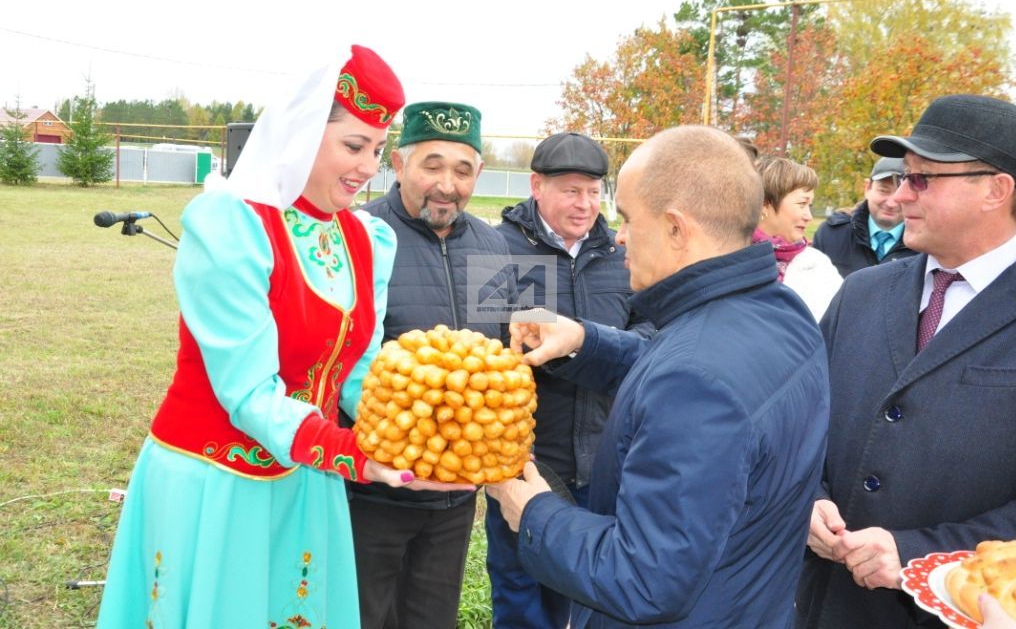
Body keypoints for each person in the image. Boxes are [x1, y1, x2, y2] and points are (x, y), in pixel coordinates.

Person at [96, 46, 471, 627]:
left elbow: (357, 372)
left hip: (307, 481)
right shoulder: (231, 223)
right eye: (352, 145)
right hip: (217, 482)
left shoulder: (367, 239)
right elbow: (246, 392)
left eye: (376, 149)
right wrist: (354, 454)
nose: (368, 167)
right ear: (300, 134)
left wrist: (424, 425)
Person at [487, 125, 830, 627]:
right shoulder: (781, 311)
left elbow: (644, 579)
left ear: (676, 228)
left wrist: (534, 512)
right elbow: (676, 365)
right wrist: (584, 339)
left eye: (627, 217)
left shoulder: (696, 379)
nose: (619, 234)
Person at [796, 94, 1016, 628]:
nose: (899, 196)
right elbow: (799, 421)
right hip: (821, 605)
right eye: (902, 177)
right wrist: (806, 498)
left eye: (922, 180)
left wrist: (923, 553)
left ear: (997, 189)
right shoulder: (863, 293)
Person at [354, 101, 514, 629]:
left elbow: (508, 358)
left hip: (454, 496)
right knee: (359, 612)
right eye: (432, 165)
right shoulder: (358, 236)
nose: (447, 184)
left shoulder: (496, 247)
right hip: (371, 488)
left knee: (431, 616)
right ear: (397, 165)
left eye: (463, 170)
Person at [488, 132, 646, 628]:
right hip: (531, 459)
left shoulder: (623, 252)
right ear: (536, 186)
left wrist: (586, 338)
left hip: (608, 458)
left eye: (594, 191)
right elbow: (489, 339)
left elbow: (652, 332)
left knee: (600, 593)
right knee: (523, 594)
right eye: (571, 191)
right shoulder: (500, 247)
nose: (585, 205)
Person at [753, 155, 842, 320]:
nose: (808, 216)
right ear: (765, 203)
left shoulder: (817, 266)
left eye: (810, 206)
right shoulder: (731, 257)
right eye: (802, 204)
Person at [813, 156, 918, 277]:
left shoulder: (924, 246)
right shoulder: (831, 235)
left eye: (901, 193)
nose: (891, 203)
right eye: (884, 191)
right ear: (867, 188)